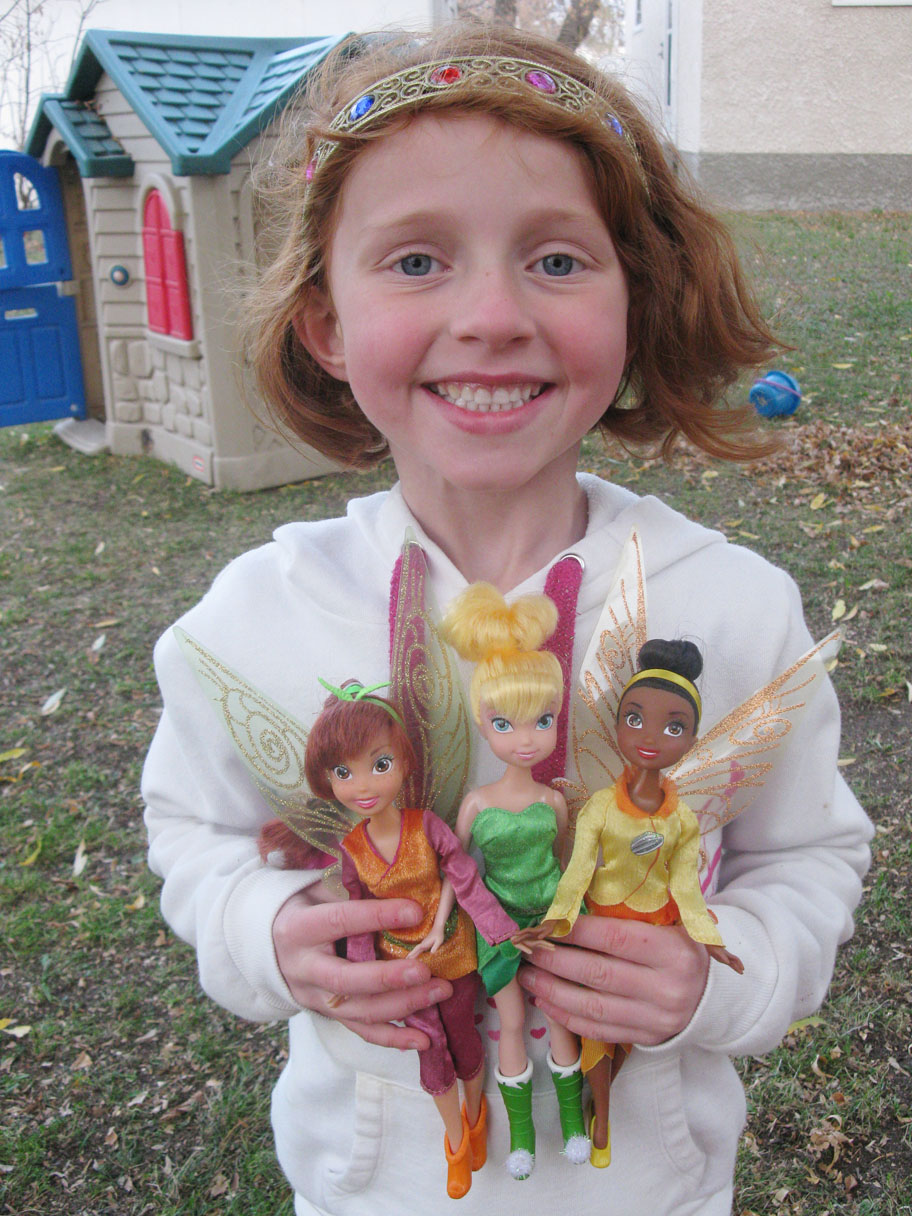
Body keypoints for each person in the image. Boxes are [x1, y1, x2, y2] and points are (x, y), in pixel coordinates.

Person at [141, 19, 872, 1216]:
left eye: (558, 259)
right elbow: (194, 829)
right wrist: (259, 925)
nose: (491, 314)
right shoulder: (254, 620)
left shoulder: (734, 605)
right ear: (327, 325)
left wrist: (725, 978)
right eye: (416, 260)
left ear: (638, 306)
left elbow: (808, 854)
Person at [258, 677, 519, 1199]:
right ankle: (454, 1142)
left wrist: (494, 928)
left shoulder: (428, 827)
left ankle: (475, 1116)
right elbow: (359, 915)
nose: (363, 785)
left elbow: (462, 875)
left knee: (465, 1041)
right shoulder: (353, 850)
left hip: (453, 952)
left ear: (403, 762)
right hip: (401, 966)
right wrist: (357, 976)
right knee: (430, 1050)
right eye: (343, 772)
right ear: (327, 780)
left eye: (379, 765)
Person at [515, 638, 745, 1169]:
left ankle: (604, 1104)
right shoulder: (600, 806)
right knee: (596, 1031)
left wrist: (711, 942)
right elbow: (578, 870)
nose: (649, 737)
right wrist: (555, 919)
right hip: (600, 920)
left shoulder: (681, 820)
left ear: (692, 740)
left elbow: (686, 887)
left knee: (626, 1035)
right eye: (635, 719)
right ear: (616, 724)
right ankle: (603, 1115)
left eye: (673, 727)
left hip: (656, 931)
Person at [440, 583, 589, 1179]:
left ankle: (574, 1122)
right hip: (498, 923)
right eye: (506, 724)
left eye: (542, 721)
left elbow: (563, 857)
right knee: (510, 1017)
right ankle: (521, 1137)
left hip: (548, 915)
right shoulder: (476, 804)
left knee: (560, 1011)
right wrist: (441, 921)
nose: (526, 740)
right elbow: (459, 869)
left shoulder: (554, 801)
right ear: (483, 723)